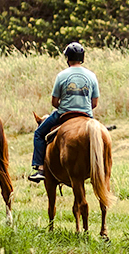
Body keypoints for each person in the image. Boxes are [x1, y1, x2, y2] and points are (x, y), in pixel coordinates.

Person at [28, 42, 99, 182]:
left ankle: (40, 168)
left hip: (64, 114)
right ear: (82, 58)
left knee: (39, 134)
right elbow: (94, 103)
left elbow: (54, 102)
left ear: (67, 58)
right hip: (86, 115)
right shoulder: (92, 76)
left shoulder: (61, 75)